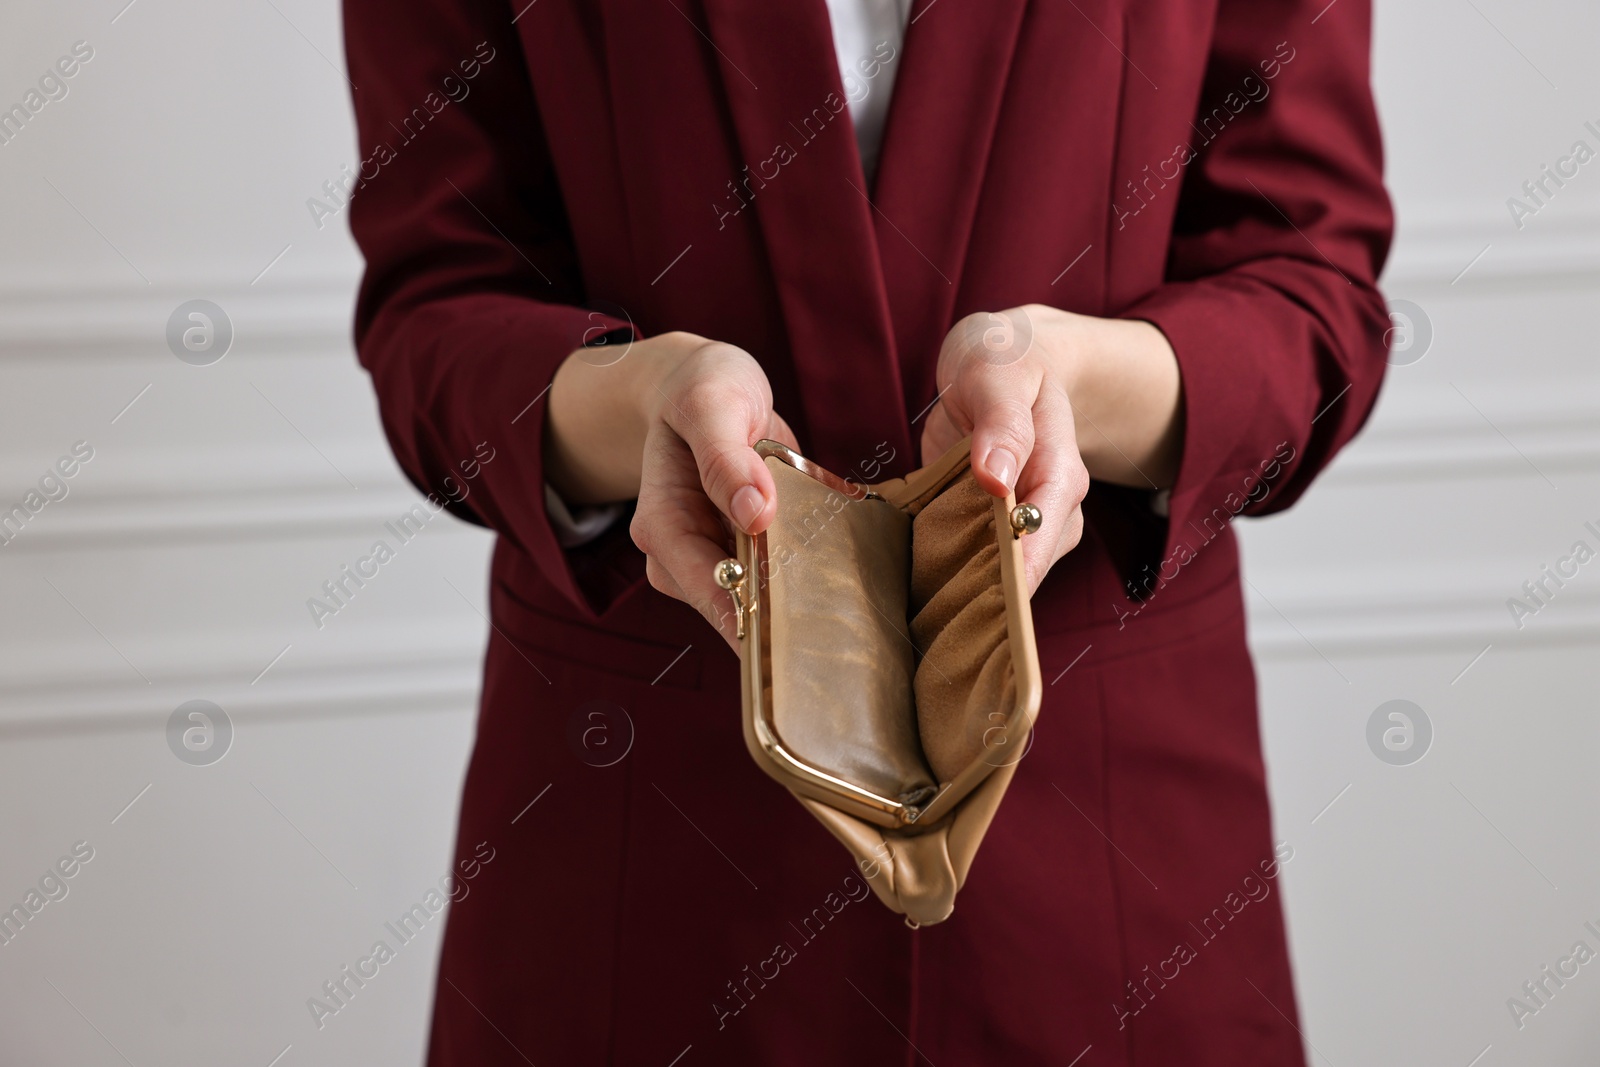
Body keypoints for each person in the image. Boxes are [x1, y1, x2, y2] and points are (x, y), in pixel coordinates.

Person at [341, 0, 1391, 1062]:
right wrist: (641, 400)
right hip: (649, 838)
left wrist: (1069, 381)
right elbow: (437, 300)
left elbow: (1313, 289)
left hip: (1105, 844)